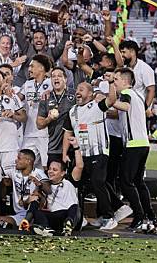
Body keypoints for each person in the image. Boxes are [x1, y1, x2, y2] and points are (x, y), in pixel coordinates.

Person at [104, 68, 157, 233]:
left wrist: (108, 100)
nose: (115, 83)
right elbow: (121, 113)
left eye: (116, 80)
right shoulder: (139, 96)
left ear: (126, 81)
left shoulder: (126, 93)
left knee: (126, 182)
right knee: (138, 182)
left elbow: (125, 107)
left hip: (133, 144)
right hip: (143, 144)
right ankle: (150, 215)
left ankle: (139, 216)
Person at [62, 82, 116, 230]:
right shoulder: (72, 111)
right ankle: (80, 217)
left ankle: (109, 217)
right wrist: (64, 152)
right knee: (77, 187)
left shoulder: (97, 106)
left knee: (98, 182)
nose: (78, 92)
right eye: (77, 90)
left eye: (82, 89)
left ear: (91, 93)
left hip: (98, 152)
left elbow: (111, 99)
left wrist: (111, 83)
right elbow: (68, 132)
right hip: (80, 154)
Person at [29, 139, 84, 237]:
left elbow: (79, 166)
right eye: (49, 169)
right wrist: (37, 191)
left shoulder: (69, 180)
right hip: (55, 216)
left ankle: (68, 225)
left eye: (55, 170)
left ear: (62, 173)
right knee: (37, 212)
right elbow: (41, 202)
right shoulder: (46, 184)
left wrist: (76, 146)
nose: (50, 171)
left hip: (69, 214)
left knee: (74, 207)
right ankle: (46, 229)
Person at [14, 3, 70, 86]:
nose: (38, 40)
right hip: (23, 86)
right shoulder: (27, 49)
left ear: (46, 41)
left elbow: (64, 42)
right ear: (32, 41)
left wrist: (64, 25)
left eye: (41, 38)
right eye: (36, 38)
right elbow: (19, 34)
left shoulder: (52, 53)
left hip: (44, 89)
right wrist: (21, 15)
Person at [37, 66, 76, 165]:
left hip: (74, 146)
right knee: (54, 177)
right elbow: (39, 124)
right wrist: (49, 119)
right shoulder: (46, 98)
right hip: (54, 147)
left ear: (65, 79)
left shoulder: (75, 95)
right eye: (53, 76)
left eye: (59, 76)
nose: (56, 78)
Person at [19, 55, 53, 168]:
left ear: (41, 68)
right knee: (25, 164)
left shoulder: (51, 83)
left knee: (45, 166)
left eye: (32, 66)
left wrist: (51, 93)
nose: (29, 69)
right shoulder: (27, 84)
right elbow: (17, 99)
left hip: (45, 133)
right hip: (28, 132)